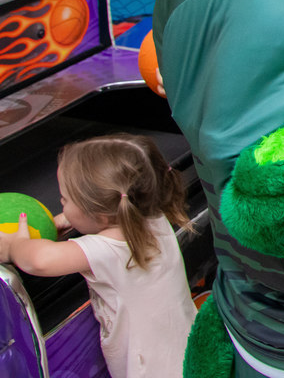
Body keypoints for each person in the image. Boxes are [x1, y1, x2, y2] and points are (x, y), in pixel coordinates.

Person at [0, 134, 196, 378]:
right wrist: (70, 218)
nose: (61, 203)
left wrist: (15, 245)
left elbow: (38, 261)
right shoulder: (150, 216)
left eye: (65, 200)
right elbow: (108, 218)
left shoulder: (106, 250)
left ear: (100, 214)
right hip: (185, 350)